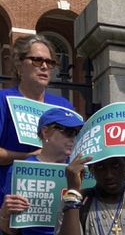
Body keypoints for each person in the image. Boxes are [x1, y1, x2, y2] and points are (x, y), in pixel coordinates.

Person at [0, 35, 73, 197]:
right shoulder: (3, 100)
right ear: (19, 65)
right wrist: (29, 156)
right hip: (10, 198)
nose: (45, 66)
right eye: (37, 60)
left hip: (55, 197)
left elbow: (76, 149)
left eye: (50, 62)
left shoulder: (63, 106)